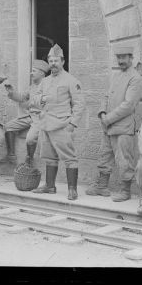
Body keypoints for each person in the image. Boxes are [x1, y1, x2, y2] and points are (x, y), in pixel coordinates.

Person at [86, 46, 142, 201]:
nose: (121, 61)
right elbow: (106, 96)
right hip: (108, 126)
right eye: (119, 57)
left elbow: (129, 105)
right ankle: (101, 186)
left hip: (123, 128)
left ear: (131, 58)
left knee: (124, 160)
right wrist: (102, 113)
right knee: (104, 157)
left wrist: (108, 118)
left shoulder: (135, 78)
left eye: (124, 58)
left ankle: (125, 191)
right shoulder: (116, 76)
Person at [32, 44, 85, 200]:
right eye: (50, 60)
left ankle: (72, 189)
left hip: (62, 125)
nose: (53, 63)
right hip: (46, 124)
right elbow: (34, 100)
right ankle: (50, 186)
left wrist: (72, 124)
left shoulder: (71, 80)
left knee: (69, 158)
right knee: (49, 157)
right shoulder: (45, 81)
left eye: (56, 60)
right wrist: (40, 99)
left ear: (62, 61)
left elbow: (79, 104)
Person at [3, 59, 50, 168]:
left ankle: (29, 157)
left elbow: (44, 103)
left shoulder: (48, 86)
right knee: (8, 126)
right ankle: (11, 155)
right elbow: (21, 98)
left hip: (39, 118)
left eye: (33, 71)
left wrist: (30, 104)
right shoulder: (32, 86)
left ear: (42, 73)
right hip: (29, 117)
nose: (31, 73)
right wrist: (11, 92)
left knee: (30, 138)